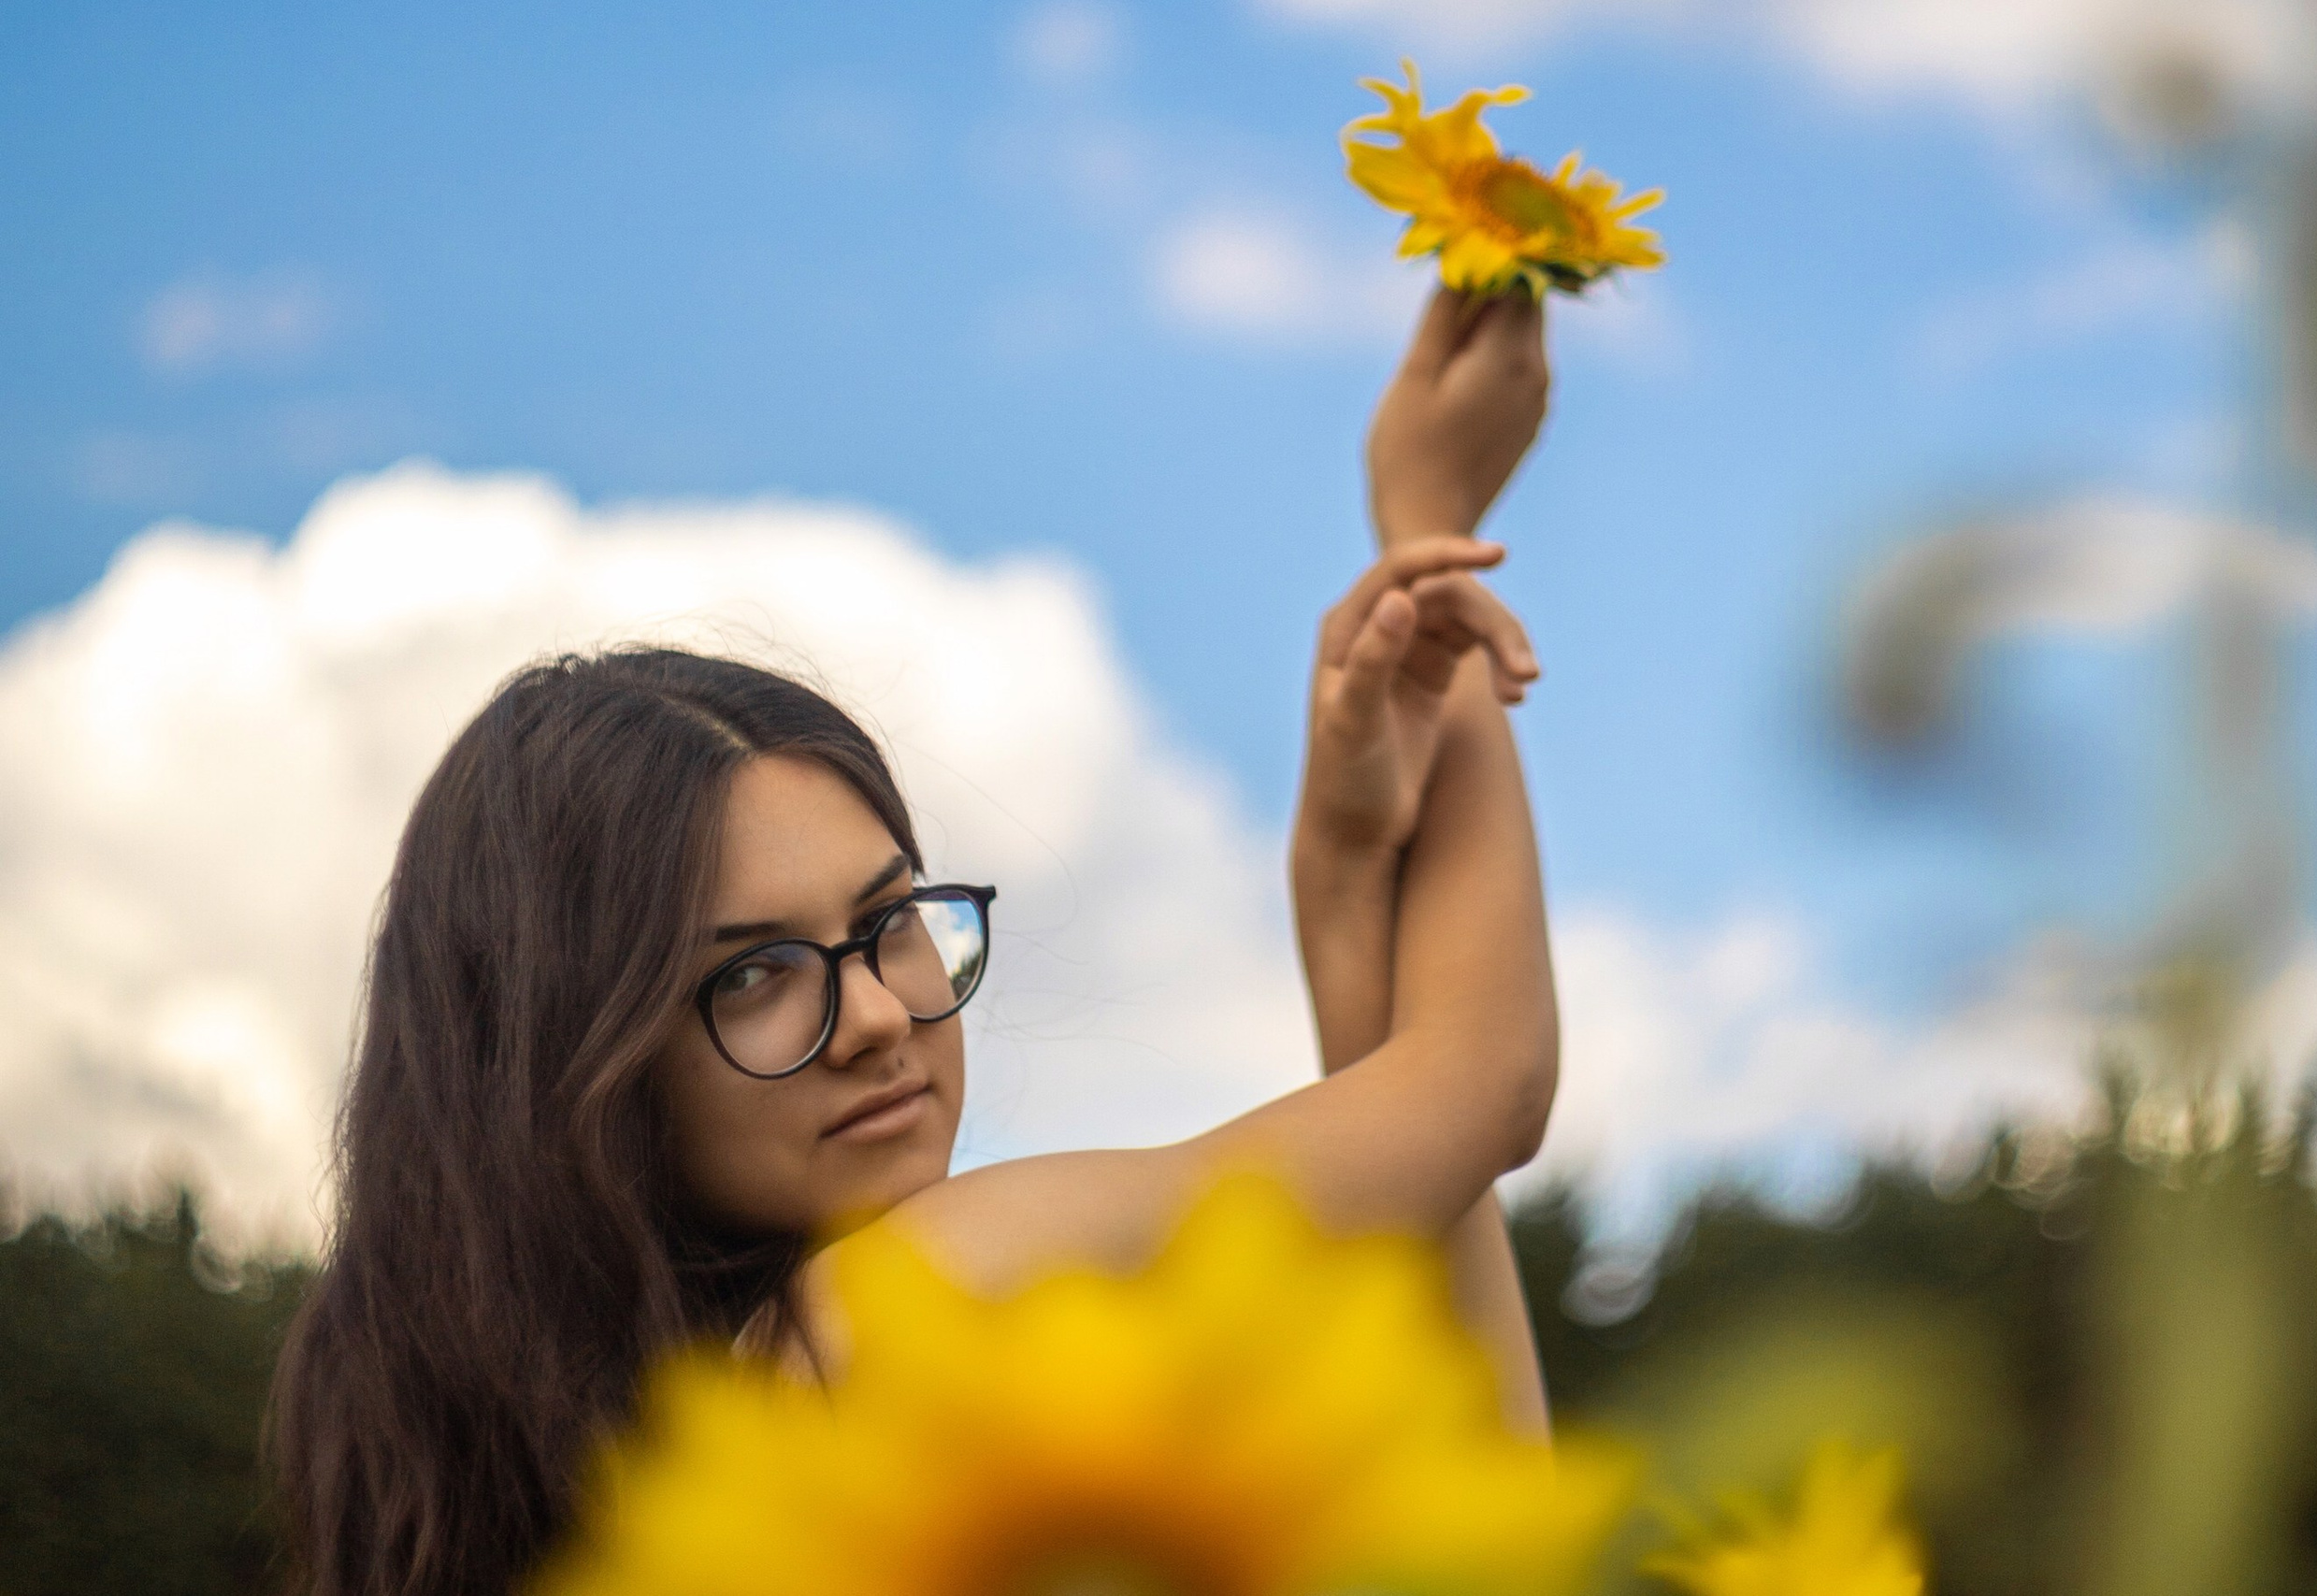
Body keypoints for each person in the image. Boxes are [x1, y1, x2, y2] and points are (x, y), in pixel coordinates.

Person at [270, 287, 1561, 1596]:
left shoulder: (651, 1481)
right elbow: (1484, 1086)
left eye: (889, 923)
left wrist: (1343, 894)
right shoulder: (900, 1307)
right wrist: (1430, 515)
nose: (883, 1014)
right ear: (577, 1065)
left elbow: (1464, 1521)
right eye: (754, 974)